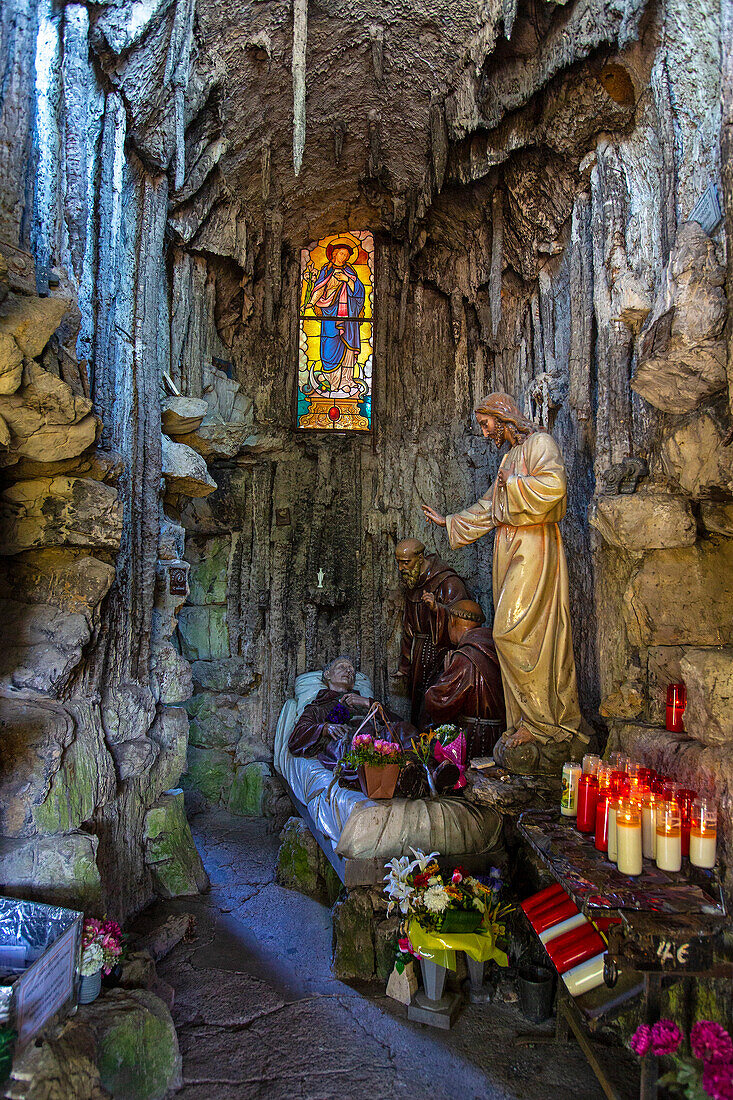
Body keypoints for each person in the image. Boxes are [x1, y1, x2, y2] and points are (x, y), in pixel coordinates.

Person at [422, 392, 587, 775]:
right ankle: (527, 722)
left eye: (486, 423)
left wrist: (512, 486)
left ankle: (545, 723)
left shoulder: (540, 444)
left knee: (515, 632)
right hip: (510, 549)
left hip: (534, 548)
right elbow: (488, 507)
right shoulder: (510, 457)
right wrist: (450, 522)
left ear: (503, 417)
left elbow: (554, 490)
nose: (485, 432)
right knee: (514, 634)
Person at [288, 655, 458, 794]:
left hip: (382, 739)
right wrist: (325, 728)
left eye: (352, 670)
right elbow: (297, 737)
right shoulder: (319, 706)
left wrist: (368, 703)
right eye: (342, 667)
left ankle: (431, 772)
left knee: (403, 728)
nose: (349, 671)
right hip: (351, 742)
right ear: (327, 675)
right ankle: (405, 778)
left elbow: (396, 721)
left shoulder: (363, 701)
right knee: (362, 744)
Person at [394, 538, 470, 726]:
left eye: (406, 562)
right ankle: (420, 745)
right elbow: (409, 627)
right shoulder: (414, 583)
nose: (401, 568)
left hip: (442, 652)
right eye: (399, 562)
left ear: (420, 558)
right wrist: (405, 664)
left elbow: (464, 619)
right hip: (420, 654)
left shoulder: (447, 582)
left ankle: (439, 747)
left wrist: (438, 609)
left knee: (437, 702)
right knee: (419, 703)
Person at [422, 597, 506, 758]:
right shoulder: (493, 644)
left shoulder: (465, 656)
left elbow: (440, 701)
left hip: (476, 738)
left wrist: (445, 674)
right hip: (499, 735)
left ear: (452, 621)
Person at [306, 238, 365, 397]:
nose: (344, 257)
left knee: (347, 347)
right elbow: (319, 287)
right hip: (329, 314)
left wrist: (347, 280)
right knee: (330, 343)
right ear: (333, 254)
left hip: (347, 315)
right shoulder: (326, 270)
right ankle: (332, 381)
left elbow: (359, 292)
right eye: (341, 254)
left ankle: (346, 381)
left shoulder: (350, 271)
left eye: (346, 255)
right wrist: (311, 303)